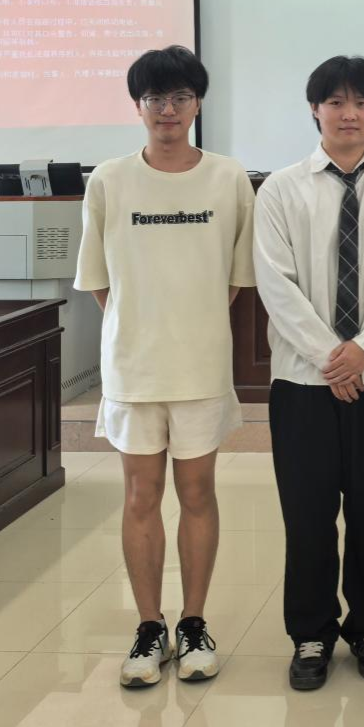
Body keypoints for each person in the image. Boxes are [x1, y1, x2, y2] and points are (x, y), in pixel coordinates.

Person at [74, 44, 256, 688]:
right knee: (140, 495)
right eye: (155, 98)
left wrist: (187, 323)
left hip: (200, 366)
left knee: (198, 493)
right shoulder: (109, 180)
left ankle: (194, 624)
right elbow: (100, 281)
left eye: (180, 97)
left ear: (197, 103)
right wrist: (142, 325)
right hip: (134, 368)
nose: (168, 109)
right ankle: (149, 627)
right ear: (138, 106)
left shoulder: (229, 179)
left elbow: (233, 280)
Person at [254, 55, 364, 692]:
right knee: (306, 513)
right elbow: (276, 284)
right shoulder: (280, 190)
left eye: (360, 102)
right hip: (302, 382)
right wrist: (332, 356)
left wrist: (363, 350)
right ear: (315, 109)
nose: (349, 113)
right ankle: (311, 633)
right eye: (335, 101)